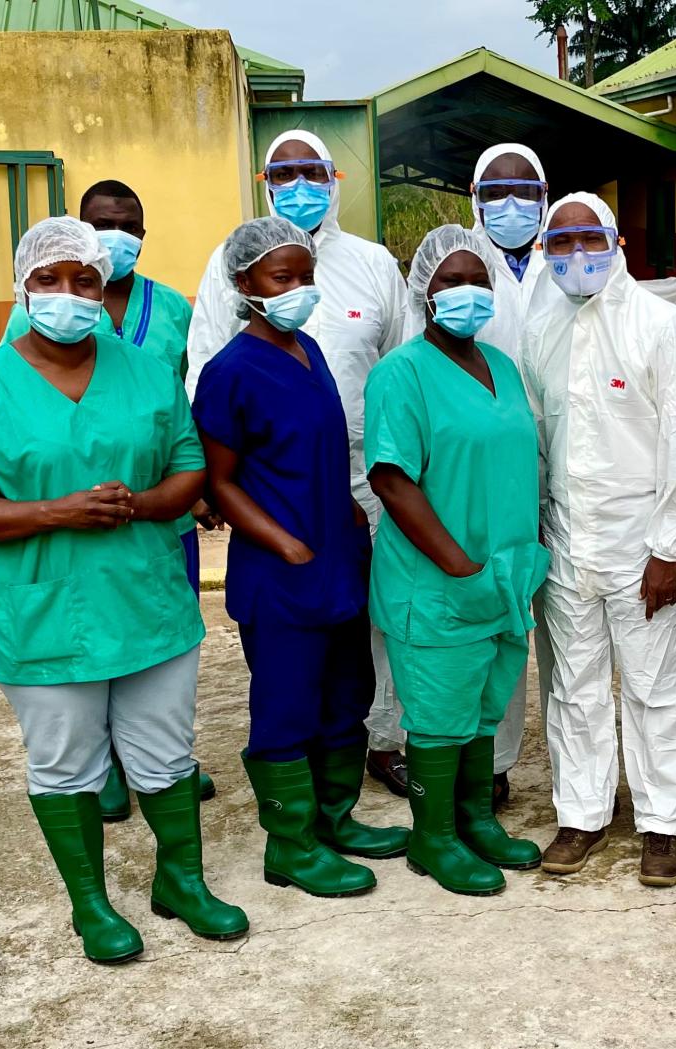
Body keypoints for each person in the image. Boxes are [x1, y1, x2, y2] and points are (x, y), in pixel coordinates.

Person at [0, 217, 245, 963]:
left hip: (146, 597)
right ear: (23, 289)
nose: (68, 295)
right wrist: (57, 512)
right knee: (66, 765)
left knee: (164, 753)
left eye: (84, 281)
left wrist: (155, 504)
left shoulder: (145, 371)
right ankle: (90, 905)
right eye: (50, 281)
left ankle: (180, 882)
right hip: (42, 610)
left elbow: (189, 462)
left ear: (103, 288)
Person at [186, 129, 411, 797]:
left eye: (312, 170)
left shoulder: (346, 296)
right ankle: (293, 830)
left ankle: (362, 772)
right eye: (284, 172)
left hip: (354, 490)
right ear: (245, 283)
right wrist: (271, 531)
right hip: (275, 502)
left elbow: (398, 367)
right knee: (289, 672)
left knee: (360, 650)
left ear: (336, 177)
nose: (300, 183)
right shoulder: (235, 349)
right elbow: (206, 380)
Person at [5, 179, 216, 819]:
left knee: (153, 653)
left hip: (156, 517)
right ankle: (103, 773)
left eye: (127, 226)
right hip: (54, 536)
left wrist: (181, 492)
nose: (114, 236)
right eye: (102, 223)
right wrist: (57, 507)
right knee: (79, 670)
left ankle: (153, 765)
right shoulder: (20, 329)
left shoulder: (170, 310)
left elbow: (184, 402)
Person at [522, 193, 676, 886]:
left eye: (589, 238)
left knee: (655, 687)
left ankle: (662, 826)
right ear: (544, 253)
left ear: (617, 242)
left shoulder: (663, 327)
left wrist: (667, 548)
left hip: (645, 541)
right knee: (573, 687)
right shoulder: (541, 332)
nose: (576, 255)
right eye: (560, 242)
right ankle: (583, 813)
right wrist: (541, 537)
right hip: (568, 540)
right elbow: (539, 442)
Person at [365, 226, 548, 897]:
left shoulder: (502, 368)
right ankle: (432, 837)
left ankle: (474, 819)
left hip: (502, 576)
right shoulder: (401, 374)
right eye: (450, 280)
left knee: (481, 708)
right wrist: (461, 568)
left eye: (477, 280)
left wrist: (497, 570)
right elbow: (392, 478)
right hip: (438, 582)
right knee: (439, 716)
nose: (466, 292)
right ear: (423, 293)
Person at [469, 142, 554, 810]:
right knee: (500, 625)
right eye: (495, 191)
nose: (511, 204)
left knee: (568, 628)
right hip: (491, 472)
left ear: (546, 194)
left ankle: (574, 767)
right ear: (474, 200)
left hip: (571, 466)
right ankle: (492, 763)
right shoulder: (459, 267)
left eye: (524, 189)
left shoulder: (577, 255)